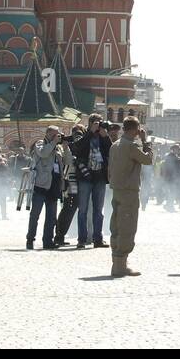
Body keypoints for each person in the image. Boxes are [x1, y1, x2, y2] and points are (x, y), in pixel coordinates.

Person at [107, 118, 154, 278]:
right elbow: (148, 160)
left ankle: (117, 264)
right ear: (135, 130)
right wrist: (145, 141)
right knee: (127, 227)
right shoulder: (131, 146)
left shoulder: (115, 145)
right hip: (129, 191)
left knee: (116, 226)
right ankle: (120, 266)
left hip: (117, 190)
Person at [71, 115, 111, 249]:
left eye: (99, 123)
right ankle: (81, 240)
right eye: (95, 123)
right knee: (82, 210)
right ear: (89, 124)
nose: (98, 125)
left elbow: (111, 151)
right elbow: (77, 148)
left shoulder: (102, 136)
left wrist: (105, 136)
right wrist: (90, 133)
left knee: (98, 210)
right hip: (85, 177)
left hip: (99, 177)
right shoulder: (84, 135)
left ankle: (98, 239)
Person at [25, 126, 67, 250]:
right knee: (35, 215)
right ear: (48, 134)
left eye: (58, 135)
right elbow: (44, 153)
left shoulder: (58, 148)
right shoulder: (40, 144)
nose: (57, 137)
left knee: (51, 217)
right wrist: (53, 142)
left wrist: (66, 146)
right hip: (41, 185)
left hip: (54, 185)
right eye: (55, 134)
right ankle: (30, 239)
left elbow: (68, 161)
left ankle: (48, 241)